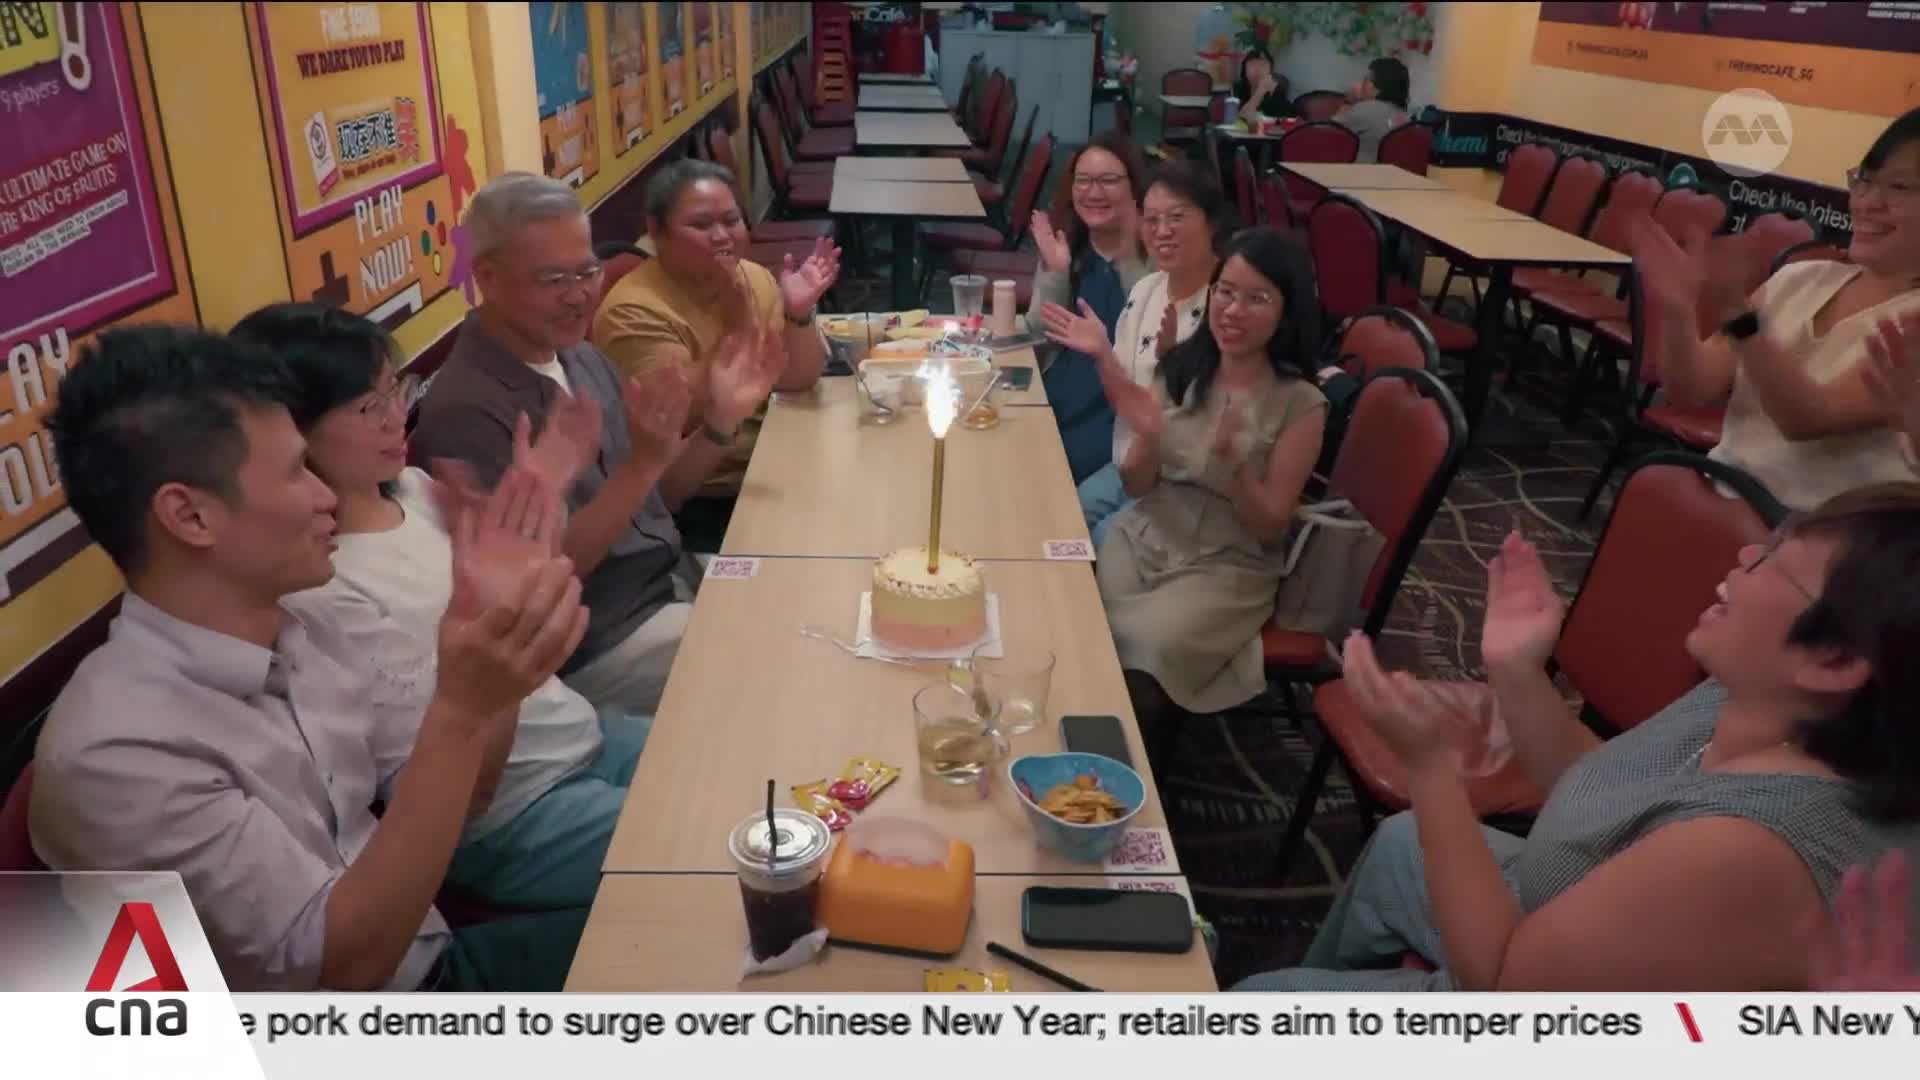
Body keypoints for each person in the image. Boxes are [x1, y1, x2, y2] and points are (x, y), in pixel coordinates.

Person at [32, 324, 590, 991]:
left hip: (436, 955)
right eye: (298, 471)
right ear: (191, 516)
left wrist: (497, 648)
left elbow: (468, 795)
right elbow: (345, 968)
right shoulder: (117, 756)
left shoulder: (300, 626)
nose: (327, 497)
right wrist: (464, 706)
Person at [1235, 484, 1920, 991]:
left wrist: (1431, 766)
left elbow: (1507, 990)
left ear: (1835, 661)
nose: (1747, 552)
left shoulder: (1754, 848)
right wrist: (1516, 671)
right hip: (1561, 922)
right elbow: (1611, 790)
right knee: (1400, 843)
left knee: (1258, 1004)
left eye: (1774, 558)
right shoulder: (1765, 697)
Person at [231, 303, 680, 913]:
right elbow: (469, 786)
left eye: (396, 390)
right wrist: (512, 601)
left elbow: (535, 593)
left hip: (579, 735)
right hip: (518, 816)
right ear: (287, 432)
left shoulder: (416, 490)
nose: (396, 417)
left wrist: (542, 498)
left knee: (738, 769)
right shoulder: (320, 587)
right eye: (366, 407)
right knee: (710, 844)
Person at [412, 172, 783, 714]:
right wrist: (639, 470)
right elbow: (528, 590)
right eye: (553, 279)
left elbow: (657, 501)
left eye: (588, 271)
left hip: (671, 577)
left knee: (802, 600)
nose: (580, 295)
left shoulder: (578, 356)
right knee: (776, 662)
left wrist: (720, 422)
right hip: (603, 638)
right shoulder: (465, 410)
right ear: (487, 276)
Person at [1086, 228, 1327, 740]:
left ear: (1287, 311)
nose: (1233, 310)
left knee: (1146, 648)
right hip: (1146, 535)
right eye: (1226, 292)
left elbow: (1269, 527)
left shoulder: (1301, 403)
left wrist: (1234, 466)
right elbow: (1136, 486)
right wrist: (1148, 436)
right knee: (1087, 623)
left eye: (1257, 298)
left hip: (1227, 562)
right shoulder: (1181, 366)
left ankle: (1125, 770)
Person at [1635, 107, 1920, 511]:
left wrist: (1739, 316)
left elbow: (1808, 418)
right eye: (1865, 180)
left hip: (1818, 538)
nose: (1867, 202)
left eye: (1899, 187)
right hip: (1719, 501)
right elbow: (1690, 389)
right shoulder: (1800, 279)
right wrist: (1678, 310)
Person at [592, 159, 840, 551]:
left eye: (732, 220)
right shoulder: (634, 312)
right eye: (701, 224)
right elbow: (679, 421)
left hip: (776, 457)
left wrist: (798, 314)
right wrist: (741, 329)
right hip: (710, 495)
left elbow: (798, 379)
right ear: (656, 231)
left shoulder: (751, 275)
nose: (722, 236)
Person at [1042, 161, 1227, 548]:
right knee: (1061, 524)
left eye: (1177, 218)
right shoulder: (1147, 290)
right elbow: (1124, 399)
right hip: (1127, 465)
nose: (1162, 231)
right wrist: (1102, 354)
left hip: (1185, 481)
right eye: (1152, 219)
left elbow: (1193, 428)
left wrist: (1165, 371)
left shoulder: (1227, 304)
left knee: (1104, 540)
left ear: (1212, 223)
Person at [1026, 131, 1152, 485]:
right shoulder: (1067, 245)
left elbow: (1151, 341)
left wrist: (1129, 253)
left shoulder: (1158, 253)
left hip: (1118, 408)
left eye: (1108, 181)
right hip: (1062, 395)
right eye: (1083, 181)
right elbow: (1038, 338)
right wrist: (1056, 274)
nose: (1093, 193)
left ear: (1134, 187)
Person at [1333, 57, 1411, 163]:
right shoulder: (1404, 114)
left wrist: (1349, 100)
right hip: (1391, 171)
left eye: (1366, 79)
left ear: (1378, 88)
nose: (1362, 83)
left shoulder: (1365, 109)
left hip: (1361, 171)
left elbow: (1326, 132)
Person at [1232, 47, 1293, 124]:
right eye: (1252, 65)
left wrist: (1262, 89)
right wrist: (1259, 92)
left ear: (1270, 71)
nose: (1257, 69)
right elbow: (1239, 120)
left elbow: (1281, 123)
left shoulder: (1276, 92)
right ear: (1244, 70)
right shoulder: (1237, 89)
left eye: (1263, 65)